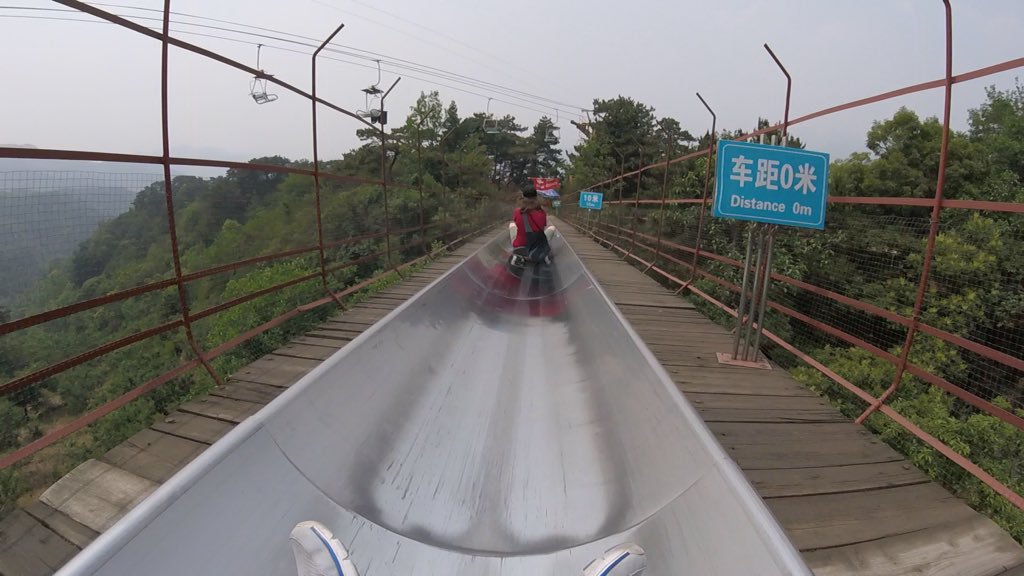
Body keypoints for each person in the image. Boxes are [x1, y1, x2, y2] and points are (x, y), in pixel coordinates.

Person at [508, 184, 556, 264]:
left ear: (523, 196)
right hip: (536, 245)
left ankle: (518, 256)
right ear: (536, 196)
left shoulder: (517, 211)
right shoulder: (542, 212)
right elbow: (542, 229)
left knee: (512, 225)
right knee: (552, 228)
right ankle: (540, 254)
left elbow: (518, 224)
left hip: (520, 245)